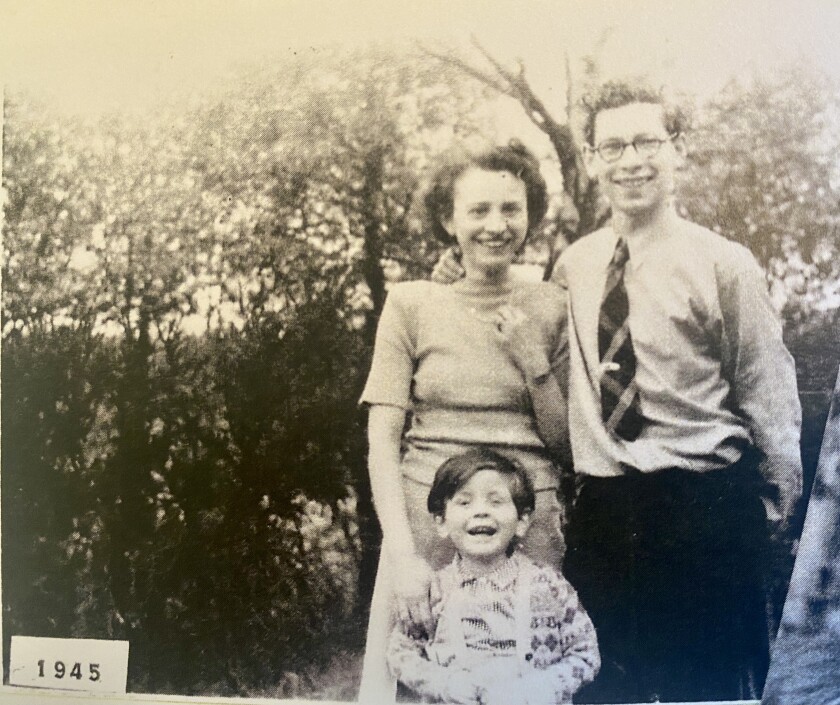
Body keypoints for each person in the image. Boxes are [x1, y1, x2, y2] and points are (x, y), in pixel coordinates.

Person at [433, 80, 803, 703]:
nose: (631, 160)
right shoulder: (574, 266)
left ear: (678, 149)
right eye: (613, 146)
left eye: (647, 142)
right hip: (607, 513)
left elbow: (767, 389)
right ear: (592, 158)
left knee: (708, 689)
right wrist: (449, 272)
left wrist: (782, 501)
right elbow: (508, 312)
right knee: (600, 686)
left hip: (704, 505)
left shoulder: (723, 263)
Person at [358, 140, 571, 703]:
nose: (496, 225)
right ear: (448, 220)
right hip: (427, 530)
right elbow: (381, 444)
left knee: (524, 682)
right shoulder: (411, 304)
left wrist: (535, 366)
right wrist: (402, 554)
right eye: (477, 210)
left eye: (510, 209)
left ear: (530, 216)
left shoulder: (552, 305)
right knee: (420, 679)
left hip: (527, 528)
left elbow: (567, 443)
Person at [387, 448, 599, 705]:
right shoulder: (434, 591)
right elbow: (401, 654)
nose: (481, 512)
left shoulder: (549, 586)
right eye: (465, 502)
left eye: (495, 501)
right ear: (441, 521)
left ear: (522, 520)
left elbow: (585, 655)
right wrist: (443, 683)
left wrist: (540, 688)